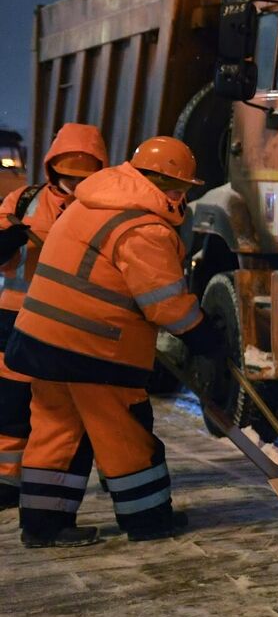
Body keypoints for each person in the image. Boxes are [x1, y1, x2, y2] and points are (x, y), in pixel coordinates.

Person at [5, 136, 219, 547]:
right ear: (163, 184)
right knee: (125, 435)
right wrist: (201, 333)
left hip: (39, 340)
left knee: (55, 431)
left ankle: (43, 525)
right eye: (180, 189)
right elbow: (166, 304)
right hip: (93, 349)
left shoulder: (90, 204)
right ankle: (149, 520)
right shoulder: (144, 227)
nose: (181, 198)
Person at [0, 123, 109, 511]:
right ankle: (6, 483)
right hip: (14, 319)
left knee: (71, 411)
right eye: (67, 178)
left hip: (74, 324)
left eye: (83, 178)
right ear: (51, 170)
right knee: (11, 407)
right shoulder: (23, 201)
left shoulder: (104, 209)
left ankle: (107, 479)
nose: (74, 186)